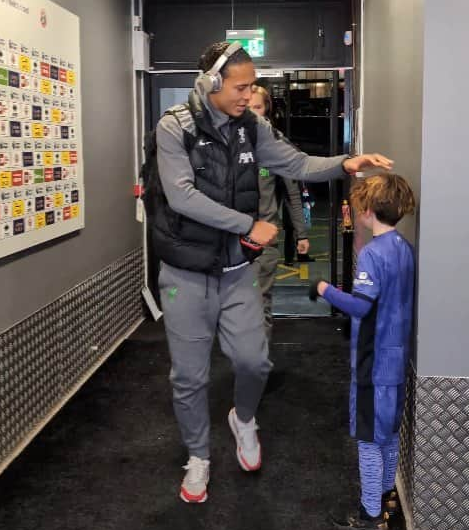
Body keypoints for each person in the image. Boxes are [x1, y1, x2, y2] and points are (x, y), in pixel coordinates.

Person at [154, 40, 393, 504]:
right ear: (210, 84)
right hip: (184, 271)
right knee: (189, 376)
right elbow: (181, 196)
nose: (248, 94)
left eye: (252, 87)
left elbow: (296, 163)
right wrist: (249, 224)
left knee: (254, 361)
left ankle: (243, 418)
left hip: (236, 268)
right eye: (241, 87)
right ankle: (198, 457)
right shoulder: (174, 129)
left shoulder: (252, 127)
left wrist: (345, 163)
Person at [309, 173, 415, 530]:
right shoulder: (405, 248)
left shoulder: (372, 253)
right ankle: (385, 499)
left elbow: (359, 307)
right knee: (385, 436)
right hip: (397, 361)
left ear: (368, 211)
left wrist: (324, 288)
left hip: (373, 364)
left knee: (369, 441)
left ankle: (371, 516)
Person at [249, 83, 309, 343]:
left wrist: (301, 235)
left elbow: (292, 194)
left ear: (267, 110)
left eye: (258, 107)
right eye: (248, 107)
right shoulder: (227, 144)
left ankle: (257, 363)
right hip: (229, 241)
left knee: (259, 302)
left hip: (263, 242)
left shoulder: (275, 145)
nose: (252, 112)